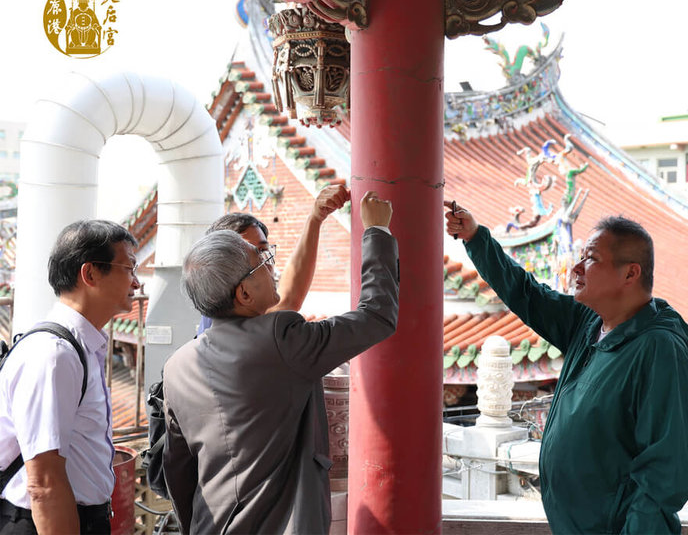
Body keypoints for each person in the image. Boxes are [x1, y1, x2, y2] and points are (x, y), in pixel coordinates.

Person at [445, 202, 688, 534]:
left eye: (591, 258)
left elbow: (665, 471)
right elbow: (527, 293)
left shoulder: (659, 350)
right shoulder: (588, 323)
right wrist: (476, 238)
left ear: (630, 273)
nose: (576, 268)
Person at [163, 190, 399, 534]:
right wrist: (377, 232)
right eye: (262, 261)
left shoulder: (177, 365)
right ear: (243, 294)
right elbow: (377, 317)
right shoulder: (281, 339)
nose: (272, 266)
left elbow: (178, 469)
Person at [0, 220, 141, 535]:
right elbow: (44, 484)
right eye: (129, 268)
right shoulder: (54, 355)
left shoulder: (78, 347)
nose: (137, 282)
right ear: (90, 273)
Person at [196, 183, 350, 333]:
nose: (266, 265)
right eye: (251, 255)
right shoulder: (223, 327)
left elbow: (286, 303)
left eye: (264, 252)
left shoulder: (252, 321)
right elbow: (287, 301)